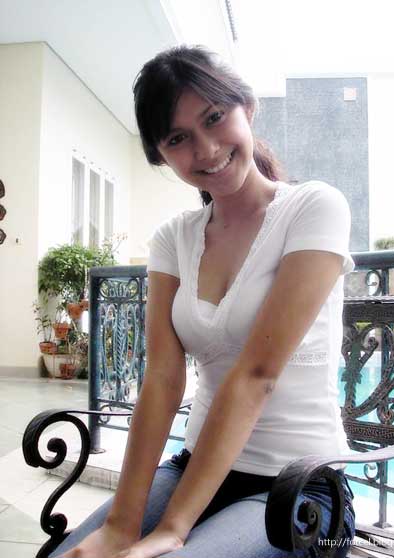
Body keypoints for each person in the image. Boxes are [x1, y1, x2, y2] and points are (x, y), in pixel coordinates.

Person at [52, 45, 356, 558]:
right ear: (161, 155)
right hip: (194, 468)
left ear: (247, 108)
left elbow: (257, 374)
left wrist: (173, 528)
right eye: (178, 138)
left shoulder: (315, 207)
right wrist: (122, 526)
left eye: (215, 118)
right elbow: (162, 379)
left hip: (299, 489)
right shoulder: (174, 238)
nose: (207, 148)